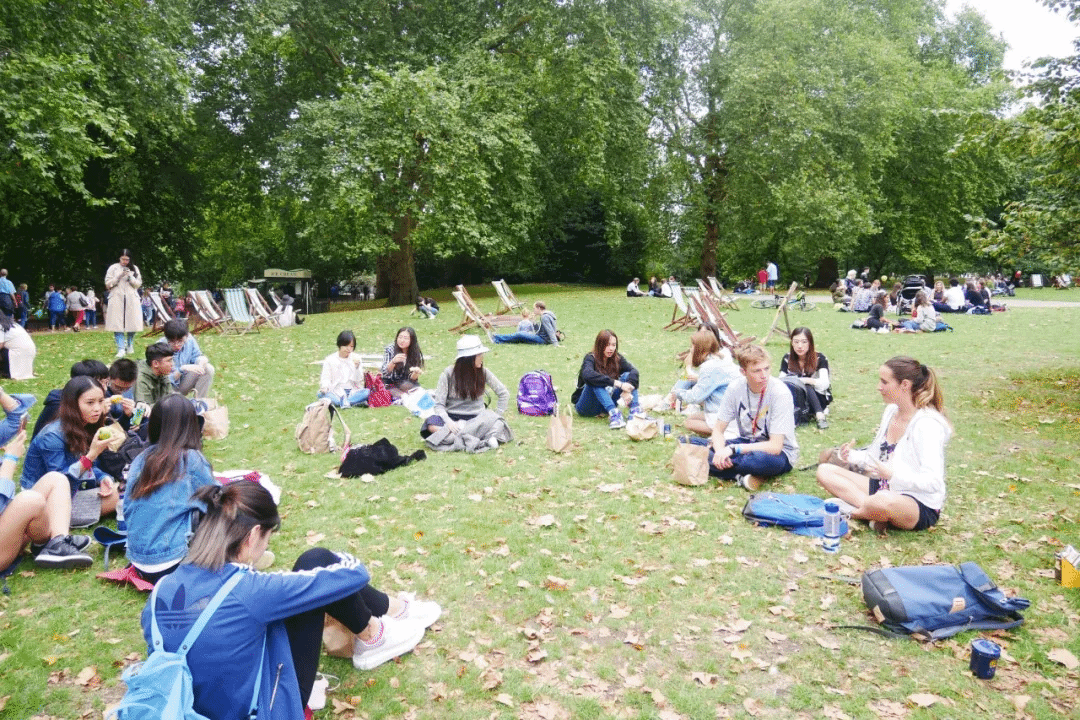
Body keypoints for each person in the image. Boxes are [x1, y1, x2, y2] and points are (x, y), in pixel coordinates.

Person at [141, 481, 439, 720]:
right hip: (264, 709)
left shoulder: (162, 590)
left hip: (185, 708)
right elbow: (355, 573)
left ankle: (394, 613)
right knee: (316, 560)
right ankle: (379, 631)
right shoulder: (252, 590)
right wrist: (339, 558)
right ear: (253, 535)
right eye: (268, 538)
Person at [817, 357, 951, 533]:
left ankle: (856, 512)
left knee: (881, 500)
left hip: (916, 502)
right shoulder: (891, 411)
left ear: (905, 385)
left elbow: (933, 482)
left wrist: (893, 476)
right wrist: (850, 456)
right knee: (824, 470)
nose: (878, 387)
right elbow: (876, 457)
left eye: (884, 382)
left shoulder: (926, 425)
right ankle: (872, 513)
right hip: (884, 486)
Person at [123, 395, 220, 583]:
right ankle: (233, 555)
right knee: (217, 509)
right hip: (173, 562)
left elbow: (127, 507)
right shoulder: (191, 459)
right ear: (191, 426)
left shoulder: (140, 459)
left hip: (138, 561)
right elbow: (217, 501)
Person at [680, 344, 799, 491]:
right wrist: (720, 452)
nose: (764, 375)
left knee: (758, 461)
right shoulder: (735, 388)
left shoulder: (780, 393)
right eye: (757, 371)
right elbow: (718, 430)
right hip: (746, 442)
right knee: (686, 443)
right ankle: (744, 475)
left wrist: (733, 449)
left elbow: (775, 446)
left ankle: (719, 466)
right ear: (743, 372)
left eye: (767, 368)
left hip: (778, 453)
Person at [21, 376, 121, 520]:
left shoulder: (85, 425)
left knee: (127, 488)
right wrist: (91, 455)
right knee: (125, 494)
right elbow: (59, 484)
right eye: (90, 403)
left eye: (101, 401)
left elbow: (88, 467)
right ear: (72, 404)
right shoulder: (52, 436)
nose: (98, 408)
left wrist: (102, 478)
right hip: (45, 504)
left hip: (73, 490)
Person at [1, 429, 94, 569]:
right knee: (31, 500)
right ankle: (49, 544)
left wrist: (102, 476)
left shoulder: (84, 429)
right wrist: (10, 459)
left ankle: (57, 543)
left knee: (56, 479)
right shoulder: (52, 435)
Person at [423, 335, 509, 438]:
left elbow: (503, 393)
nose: (482, 357)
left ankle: (457, 437)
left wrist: (497, 415)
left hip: (477, 419)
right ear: (469, 358)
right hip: (452, 418)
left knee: (498, 423)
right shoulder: (448, 374)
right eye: (479, 355)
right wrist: (449, 422)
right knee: (430, 424)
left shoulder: (483, 372)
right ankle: (472, 437)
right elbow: (439, 405)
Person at [572, 330, 641, 429]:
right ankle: (614, 414)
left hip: (605, 403)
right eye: (607, 345)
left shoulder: (617, 358)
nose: (611, 348)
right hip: (587, 407)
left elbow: (634, 371)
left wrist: (627, 388)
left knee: (628, 375)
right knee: (595, 381)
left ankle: (635, 412)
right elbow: (587, 375)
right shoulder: (590, 358)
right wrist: (618, 384)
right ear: (600, 345)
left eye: (613, 345)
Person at [675, 330, 740, 436]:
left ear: (699, 348)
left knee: (689, 423)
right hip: (734, 409)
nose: (691, 349)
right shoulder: (723, 357)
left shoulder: (709, 367)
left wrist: (677, 392)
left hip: (728, 414)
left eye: (692, 346)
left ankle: (724, 432)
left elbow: (695, 397)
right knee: (693, 417)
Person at [32, 359, 110, 438]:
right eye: (99, 383)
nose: (105, 388)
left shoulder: (95, 398)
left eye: (106, 382)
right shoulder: (59, 405)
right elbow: (72, 433)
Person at [779, 327, 832, 429]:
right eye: (796, 342)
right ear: (792, 343)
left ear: (810, 343)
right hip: (796, 398)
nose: (800, 346)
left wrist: (804, 381)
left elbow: (825, 384)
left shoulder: (820, 358)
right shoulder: (787, 358)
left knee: (806, 385)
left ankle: (819, 415)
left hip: (818, 398)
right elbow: (781, 382)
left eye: (804, 342)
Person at [104, 248, 144, 357]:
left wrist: (130, 277)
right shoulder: (113, 268)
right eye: (123, 259)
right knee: (117, 324)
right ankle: (121, 348)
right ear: (119, 258)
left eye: (127, 259)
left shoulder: (134, 268)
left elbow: (138, 284)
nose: (125, 262)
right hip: (117, 298)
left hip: (131, 299)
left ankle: (130, 344)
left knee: (133, 323)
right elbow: (108, 284)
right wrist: (119, 276)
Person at [163, 319, 215, 399]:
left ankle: (199, 402)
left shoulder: (190, 340)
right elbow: (161, 380)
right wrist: (181, 370)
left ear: (187, 336)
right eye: (172, 342)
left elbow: (197, 357)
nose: (176, 345)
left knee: (208, 368)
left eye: (180, 341)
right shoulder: (161, 347)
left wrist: (201, 363)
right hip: (166, 389)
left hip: (182, 383)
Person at [318, 331, 370, 408]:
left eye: (351, 346)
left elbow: (359, 380)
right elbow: (326, 377)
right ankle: (350, 403)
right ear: (340, 345)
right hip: (336, 391)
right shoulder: (330, 360)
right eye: (346, 346)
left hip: (352, 391)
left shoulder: (356, 358)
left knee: (367, 392)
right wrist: (325, 387)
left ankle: (344, 403)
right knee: (320, 394)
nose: (349, 349)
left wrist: (357, 368)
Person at [380, 327, 424, 400]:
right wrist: (393, 361)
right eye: (400, 337)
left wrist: (416, 373)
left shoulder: (414, 352)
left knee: (417, 391)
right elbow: (385, 373)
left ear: (411, 340)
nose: (402, 340)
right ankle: (403, 396)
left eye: (406, 338)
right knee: (404, 396)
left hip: (404, 383)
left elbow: (411, 379)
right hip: (390, 383)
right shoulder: (390, 349)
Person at [492, 301, 560, 345]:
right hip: (542, 338)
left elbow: (550, 330)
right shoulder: (548, 314)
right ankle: (497, 339)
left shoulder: (545, 317)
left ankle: (496, 337)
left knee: (520, 334)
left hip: (543, 340)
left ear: (539, 308)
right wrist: (533, 321)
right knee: (521, 336)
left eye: (534, 308)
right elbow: (539, 329)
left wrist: (555, 343)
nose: (533, 310)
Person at [0, 312, 37, 380]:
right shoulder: (11, 324)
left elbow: (0, 344)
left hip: (19, 353)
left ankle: (6, 372)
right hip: (27, 352)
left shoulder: (1, 326)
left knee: (2, 351)